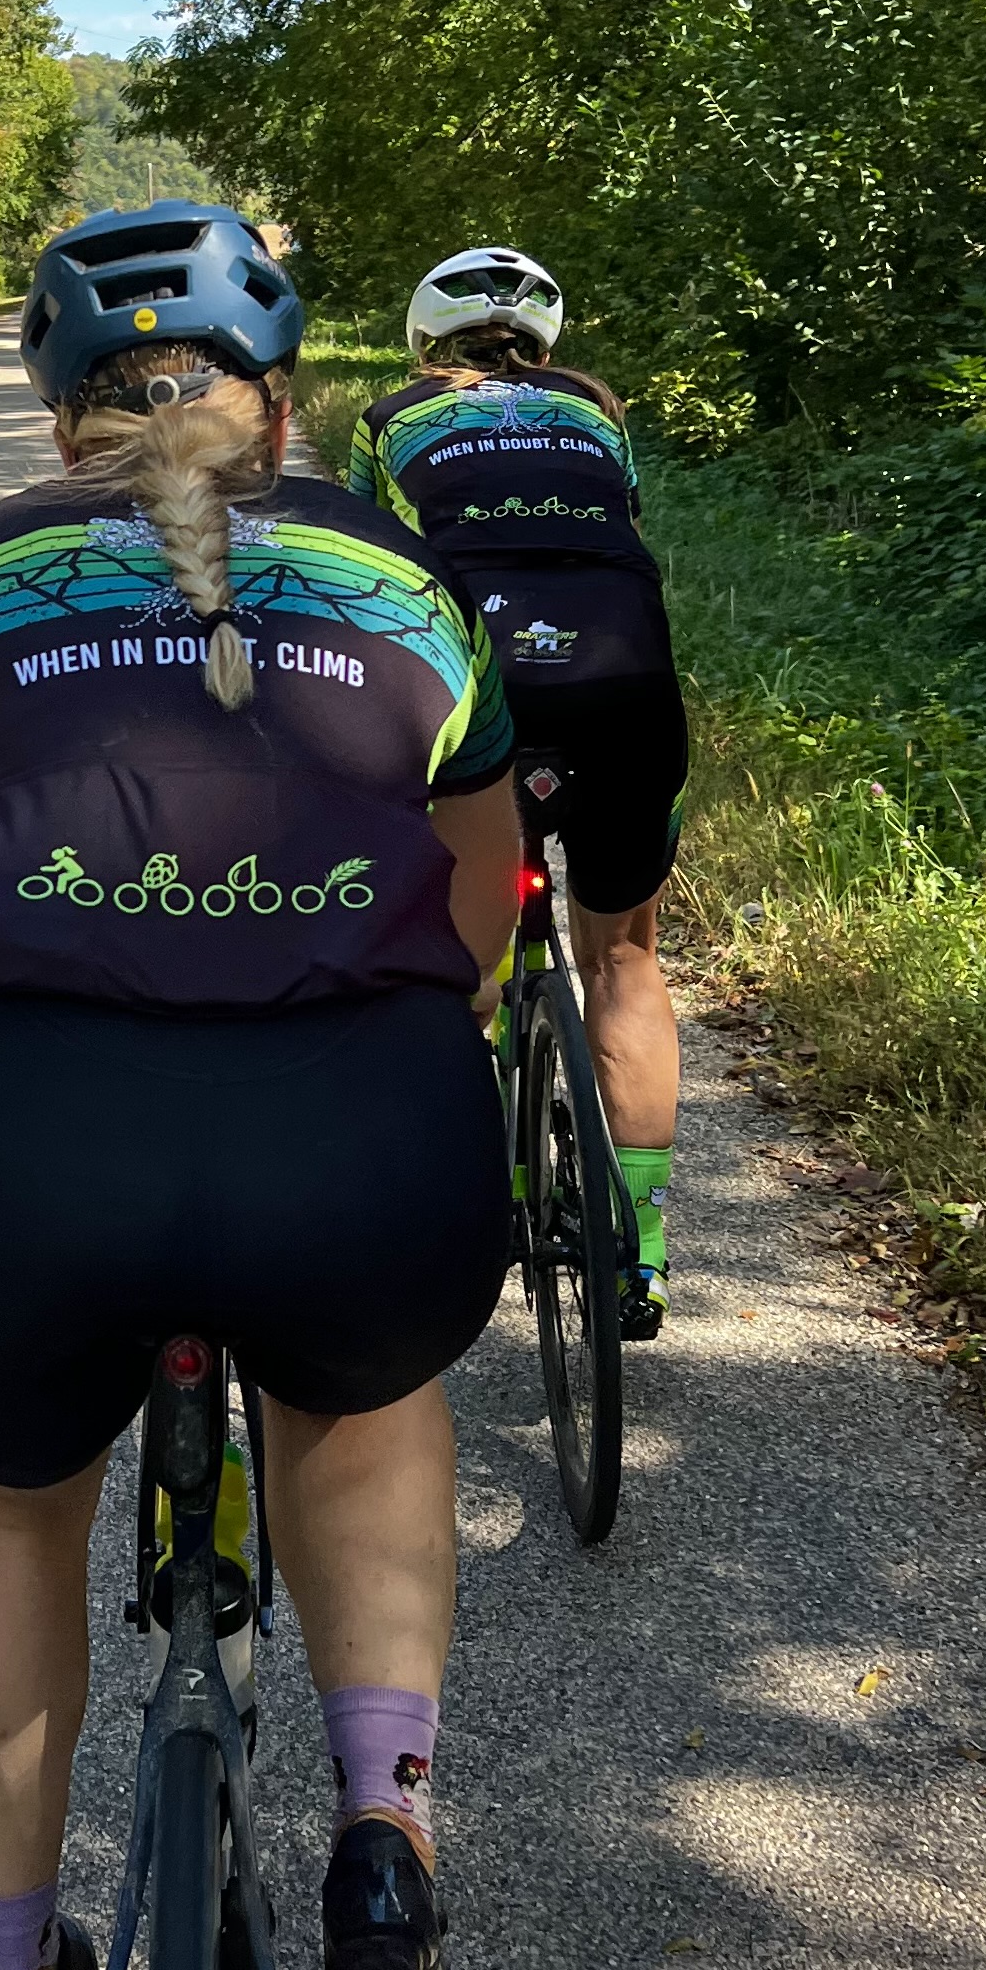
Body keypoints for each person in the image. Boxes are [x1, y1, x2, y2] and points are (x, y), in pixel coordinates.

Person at [0, 200, 520, 1970]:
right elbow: (479, 894)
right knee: (362, 1404)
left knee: (8, 1504)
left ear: (55, 414)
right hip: (349, 1125)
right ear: (280, 403)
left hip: (24, 1141)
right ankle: (381, 1844)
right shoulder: (401, 579)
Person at [347, 248, 687, 1333]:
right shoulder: (594, 407)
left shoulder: (389, 418)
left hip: (476, 685)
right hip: (625, 680)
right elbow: (625, 531)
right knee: (625, 958)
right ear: (544, 340)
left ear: (424, 341)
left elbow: (365, 568)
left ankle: (463, 1197)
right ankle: (643, 1252)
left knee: (463, 953)